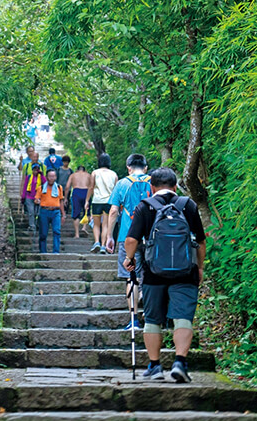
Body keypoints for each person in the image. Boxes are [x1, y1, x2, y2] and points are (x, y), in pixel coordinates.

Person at [123, 167, 206, 383]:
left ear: (151, 188)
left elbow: (131, 240)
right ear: (175, 186)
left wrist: (129, 259)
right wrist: (199, 268)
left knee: (152, 319)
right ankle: (179, 362)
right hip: (185, 271)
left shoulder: (145, 206)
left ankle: (155, 366)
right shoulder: (188, 205)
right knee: (183, 317)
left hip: (153, 272)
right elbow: (201, 240)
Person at [106, 154, 151, 330]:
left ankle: (134, 320)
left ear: (128, 167)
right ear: (145, 167)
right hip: (150, 236)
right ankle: (150, 313)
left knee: (131, 277)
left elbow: (113, 211)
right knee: (150, 274)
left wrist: (109, 236)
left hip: (127, 237)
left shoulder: (122, 183)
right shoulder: (153, 182)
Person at [85, 153, 118, 253]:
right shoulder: (114, 174)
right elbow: (116, 190)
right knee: (105, 225)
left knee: (96, 224)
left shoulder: (95, 173)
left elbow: (91, 187)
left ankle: (96, 242)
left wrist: (87, 200)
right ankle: (103, 245)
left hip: (97, 201)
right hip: (109, 201)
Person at [35, 169, 66, 254]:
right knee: (43, 233)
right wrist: (37, 201)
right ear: (47, 177)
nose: (52, 178)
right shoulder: (41, 188)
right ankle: (43, 251)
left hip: (56, 212)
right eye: (50, 176)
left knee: (57, 231)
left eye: (53, 176)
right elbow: (36, 198)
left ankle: (56, 251)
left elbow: (61, 201)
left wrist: (63, 214)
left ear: (56, 177)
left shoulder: (59, 187)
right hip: (44, 211)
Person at [66, 165, 91, 239]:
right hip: (86, 192)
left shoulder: (73, 175)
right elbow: (92, 186)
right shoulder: (88, 175)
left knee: (76, 214)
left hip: (76, 192)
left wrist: (65, 198)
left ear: (77, 170)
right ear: (85, 170)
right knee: (87, 211)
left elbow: (67, 187)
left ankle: (77, 234)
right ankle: (84, 227)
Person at [20, 163, 44, 231]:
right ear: (32, 170)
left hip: (38, 197)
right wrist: (23, 196)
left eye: (37, 170)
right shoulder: (29, 177)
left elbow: (45, 183)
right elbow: (25, 186)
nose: (35, 171)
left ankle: (38, 225)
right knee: (31, 212)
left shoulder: (41, 177)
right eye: (34, 170)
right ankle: (32, 226)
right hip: (29, 196)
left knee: (38, 213)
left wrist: (41, 175)